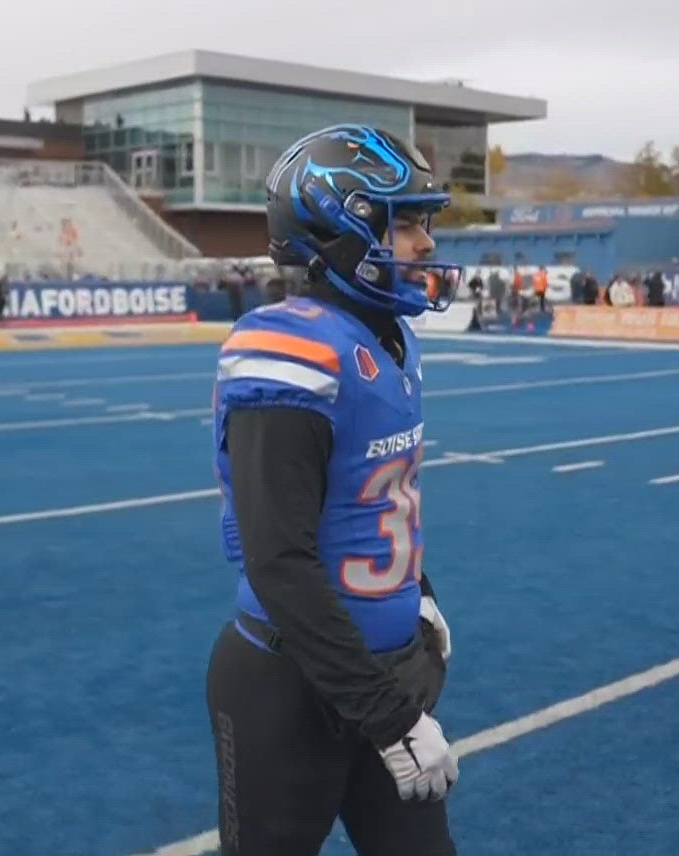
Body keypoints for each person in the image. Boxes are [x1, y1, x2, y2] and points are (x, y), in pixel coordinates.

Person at [206, 124, 462, 855]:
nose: (424, 242)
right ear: (339, 228)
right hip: (289, 688)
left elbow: (371, 501)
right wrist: (391, 718)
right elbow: (279, 560)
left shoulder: (390, 337)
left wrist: (419, 593)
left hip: (379, 676)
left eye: (424, 221)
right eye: (404, 221)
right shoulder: (291, 352)